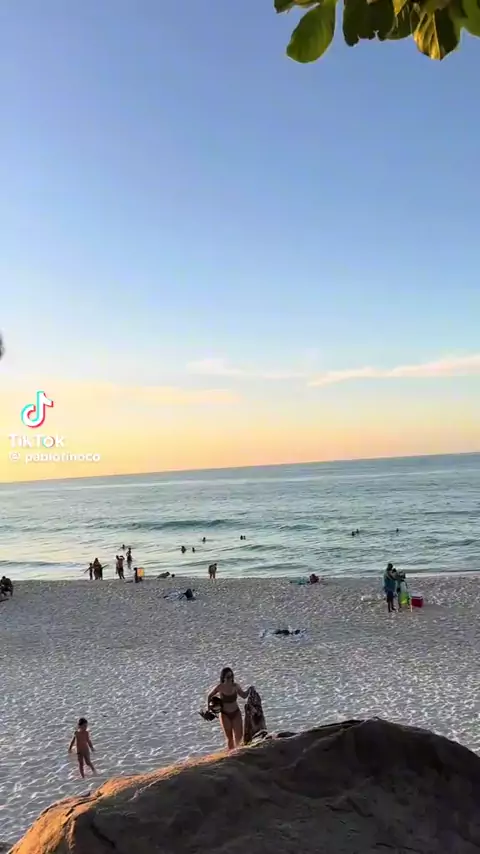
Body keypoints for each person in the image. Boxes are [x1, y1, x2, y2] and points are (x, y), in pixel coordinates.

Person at [207, 667, 249, 750]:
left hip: (236, 713)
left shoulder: (235, 686)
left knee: (239, 736)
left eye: (231, 676)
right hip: (225, 714)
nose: (230, 679)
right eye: (228, 677)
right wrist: (209, 709)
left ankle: (239, 752)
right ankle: (231, 753)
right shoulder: (220, 687)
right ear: (223, 678)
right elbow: (209, 696)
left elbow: (244, 696)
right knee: (229, 738)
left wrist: (250, 689)